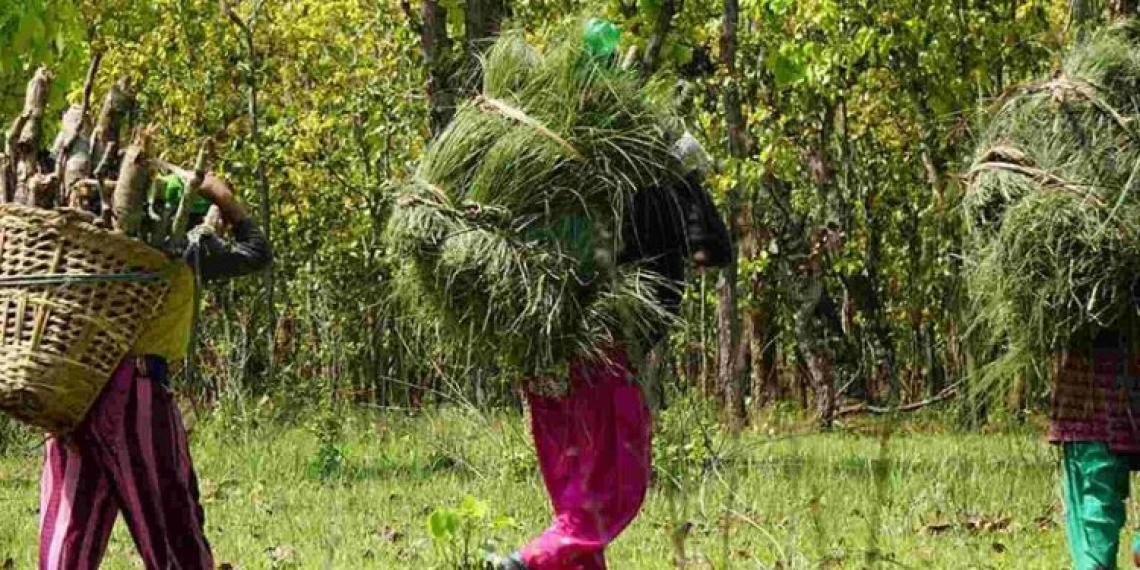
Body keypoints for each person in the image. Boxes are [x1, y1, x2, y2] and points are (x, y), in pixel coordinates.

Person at [490, 127, 731, 569]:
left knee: (576, 489)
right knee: (618, 486)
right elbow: (712, 250)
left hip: (543, 346)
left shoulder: (556, 167)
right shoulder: (655, 179)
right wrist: (688, 183)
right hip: (606, 348)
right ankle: (527, 562)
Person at [37, 171, 272, 569]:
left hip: (75, 389)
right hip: (135, 390)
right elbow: (256, 252)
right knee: (168, 516)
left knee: (71, 521)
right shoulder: (189, 245)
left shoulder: (93, 245)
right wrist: (225, 199)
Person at [1050, 328, 1140, 570]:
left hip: (1094, 410)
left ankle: (1094, 562)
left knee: (1095, 494)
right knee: (1097, 486)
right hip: (1095, 405)